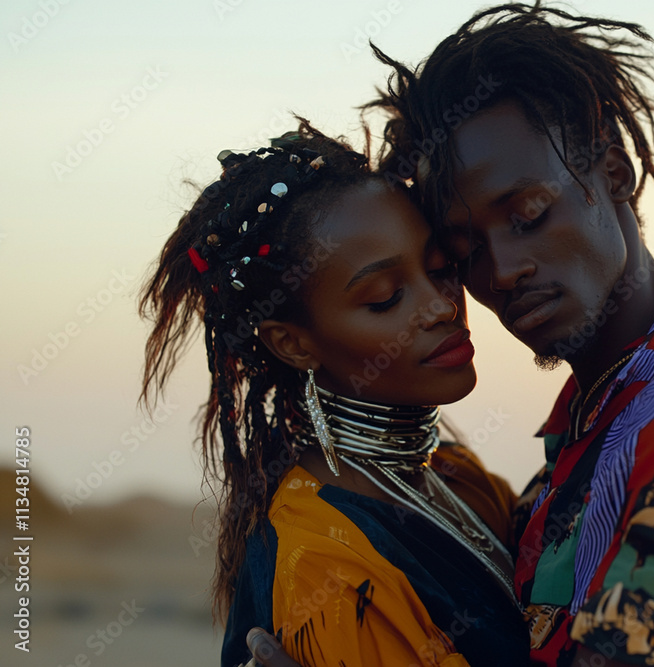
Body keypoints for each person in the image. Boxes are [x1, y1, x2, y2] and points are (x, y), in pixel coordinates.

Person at [246, 3, 654, 666]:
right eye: (465, 253)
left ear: (613, 173)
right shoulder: (589, 429)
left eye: (527, 214)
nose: (504, 269)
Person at [139, 120, 529, 666]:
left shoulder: (454, 473)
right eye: (385, 297)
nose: (442, 305)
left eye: (441, 268)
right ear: (293, 344)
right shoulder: (327, 565)